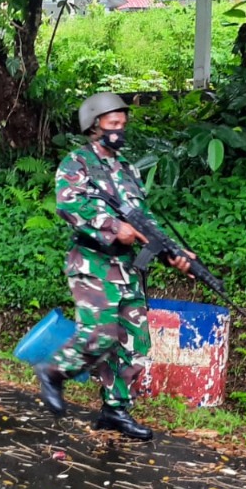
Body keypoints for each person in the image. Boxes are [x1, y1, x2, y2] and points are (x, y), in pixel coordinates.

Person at [34, 92, 193, 441]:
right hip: (93, 263)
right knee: (100, 333)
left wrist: (174, 251)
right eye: (113, 123)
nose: (120, 130)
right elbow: (68, 205)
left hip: (128, 269)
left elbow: (143, 220)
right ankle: (53, 372)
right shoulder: (76, 163)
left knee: (133, 342)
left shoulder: (127, 169)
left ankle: (115, 410)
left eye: (123, 124)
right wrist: (111, 226)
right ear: (95, 125)